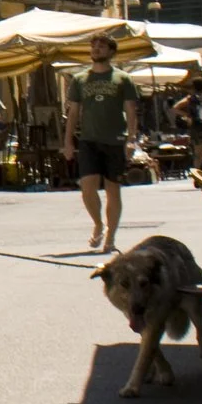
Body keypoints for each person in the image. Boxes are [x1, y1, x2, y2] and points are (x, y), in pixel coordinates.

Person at [61, 32, 142, 253]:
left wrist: (132, 139)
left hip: (115, 139)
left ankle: (111, 237)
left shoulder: (122, 79)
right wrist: (68, 141)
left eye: (102, 46)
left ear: (111, 51)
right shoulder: (80, 79)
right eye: (94, 45)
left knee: (112, 190)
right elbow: (73, 112)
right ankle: (98, 224)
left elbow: (130, 110)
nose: (96, 49)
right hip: (88, 140)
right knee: (87, 189)